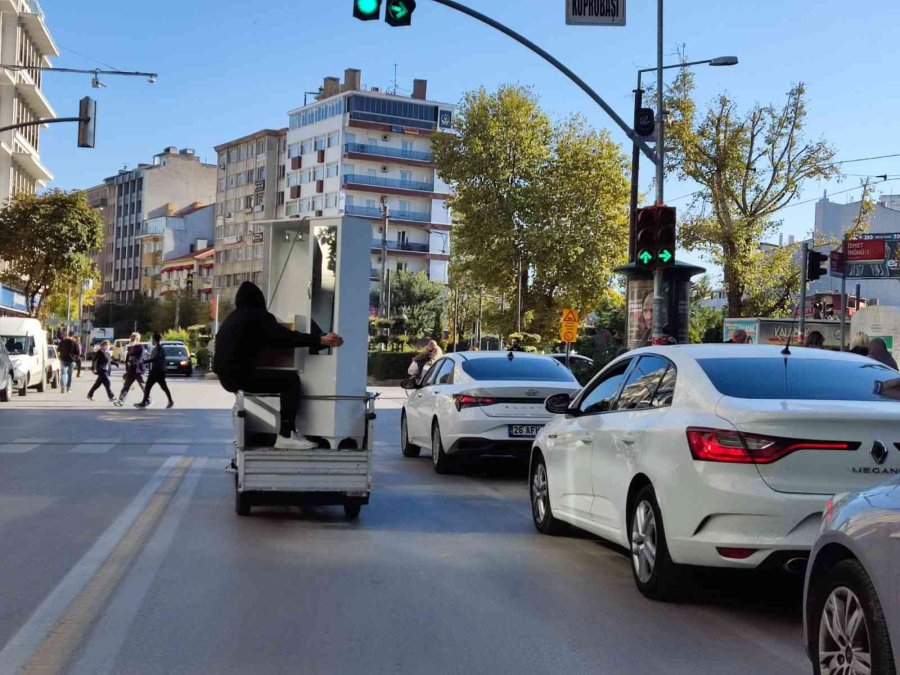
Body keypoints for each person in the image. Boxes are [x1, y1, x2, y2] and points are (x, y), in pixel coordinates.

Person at [213, 281, 343, 449]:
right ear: (259, 299)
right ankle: (286, 434)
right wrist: (320, 340)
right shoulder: (257, 315)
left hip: (226, 377)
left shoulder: (233, 317)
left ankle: (262, 431)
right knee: (290, 381)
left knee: (272, 380)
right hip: (240, 375)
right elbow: (284, 338)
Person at [135, 333, 174, 409]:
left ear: (155, 340)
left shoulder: (160, 348)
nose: (151, 341)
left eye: (152, 339)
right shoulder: (155, 348)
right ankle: (144, 402)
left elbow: (156, 359)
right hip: (153, 371)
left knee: (164, 387)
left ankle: (170, 401)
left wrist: (145, 361)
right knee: (147, 387)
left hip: (159, 372)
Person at [115, 333, 147, 407]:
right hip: (131, 371)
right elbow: (127, 359)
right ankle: (121, 401)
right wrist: (127, 368)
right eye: (131, 339)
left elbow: (140, 359)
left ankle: (147, 399)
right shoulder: (131, 348)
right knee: (126, 386)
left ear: (138, 339)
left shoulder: (141, 347)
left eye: (133, 339)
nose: (131, 340)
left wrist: (132, 363)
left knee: (143, 386)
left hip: (139, 370)